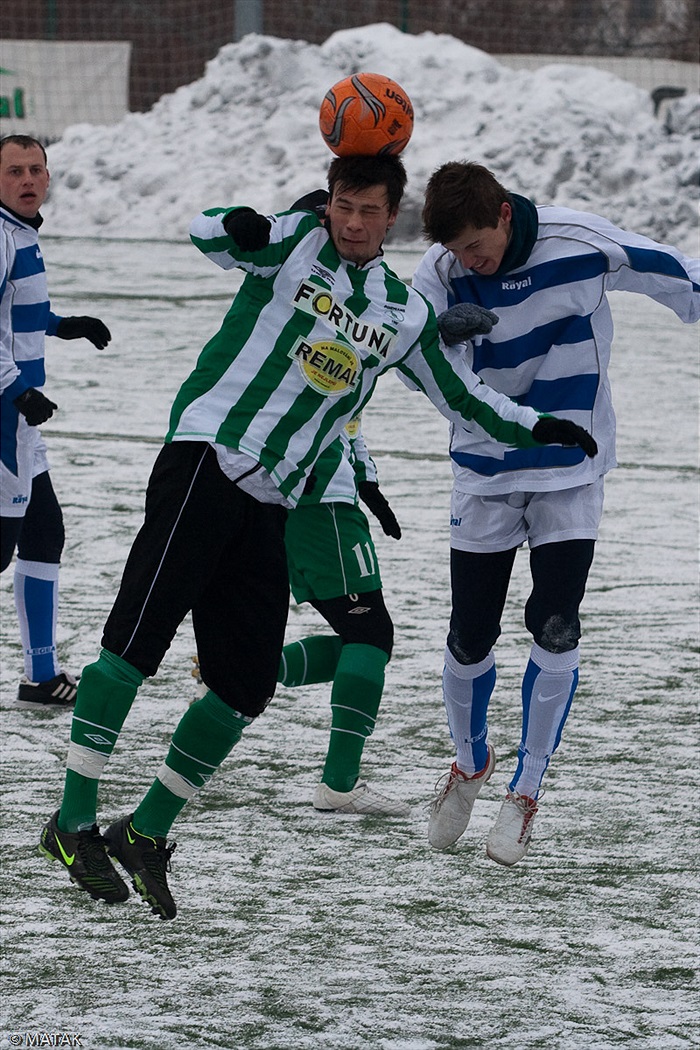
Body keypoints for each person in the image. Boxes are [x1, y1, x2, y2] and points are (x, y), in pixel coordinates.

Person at [38, 152, 595, 921]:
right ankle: (70, 823)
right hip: (207, 458)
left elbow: (464, 397)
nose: (353, 221)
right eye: (344, 205)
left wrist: (541, 426)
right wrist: (232, 222)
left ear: (391, 217)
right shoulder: (294, 240)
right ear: (328, 204)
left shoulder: (402, 314)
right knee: (135, 645)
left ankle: (145, 831)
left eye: (369, 210)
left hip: (276, 500)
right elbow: (214, 236)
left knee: (243, 686)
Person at [412, 161, 700, 866]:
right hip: (483, 471)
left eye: (478, 246)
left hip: (571, 471)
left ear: (505, 214)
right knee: (468, 638)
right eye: (458, 253)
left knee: (556, 621)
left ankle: (525, 791)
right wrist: (441, 331)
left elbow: (677, 274)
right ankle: (470, 764)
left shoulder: (580, 243)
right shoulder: (440, 270)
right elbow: (407, 350)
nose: (469, 262)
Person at [0, 134, 111, 708]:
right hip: (3, 415)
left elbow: (16, 311)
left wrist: (62, 324)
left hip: (17, 424)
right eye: (14, 170)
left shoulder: (20, 234)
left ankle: (41, 678)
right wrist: (17, 389)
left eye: (35, 169)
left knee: (45, 532)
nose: (27, 179)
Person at [278, 411, 407, 815]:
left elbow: (349, 419)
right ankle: (339, 784)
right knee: (369, 636)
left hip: (316, 498)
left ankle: (233, 669)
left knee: (364, 637)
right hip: (322, 505)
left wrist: (366, 480)